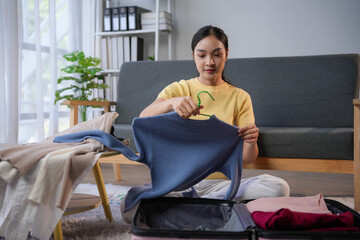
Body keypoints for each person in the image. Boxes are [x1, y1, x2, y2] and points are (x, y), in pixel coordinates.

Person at [120, 25, 289, 223]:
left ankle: (195, 208)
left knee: (278, 187)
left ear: (226, 54)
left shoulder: (240, 97)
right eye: (202, 55)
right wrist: (172, 103)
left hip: (221, 186)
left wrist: (251, 141)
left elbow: (248, 157)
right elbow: (142, 118)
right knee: (128, 207)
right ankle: (217, 210)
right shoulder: (179, 88)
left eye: (217, 54)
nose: (209, 62)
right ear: (194, 56)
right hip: (179, 184)